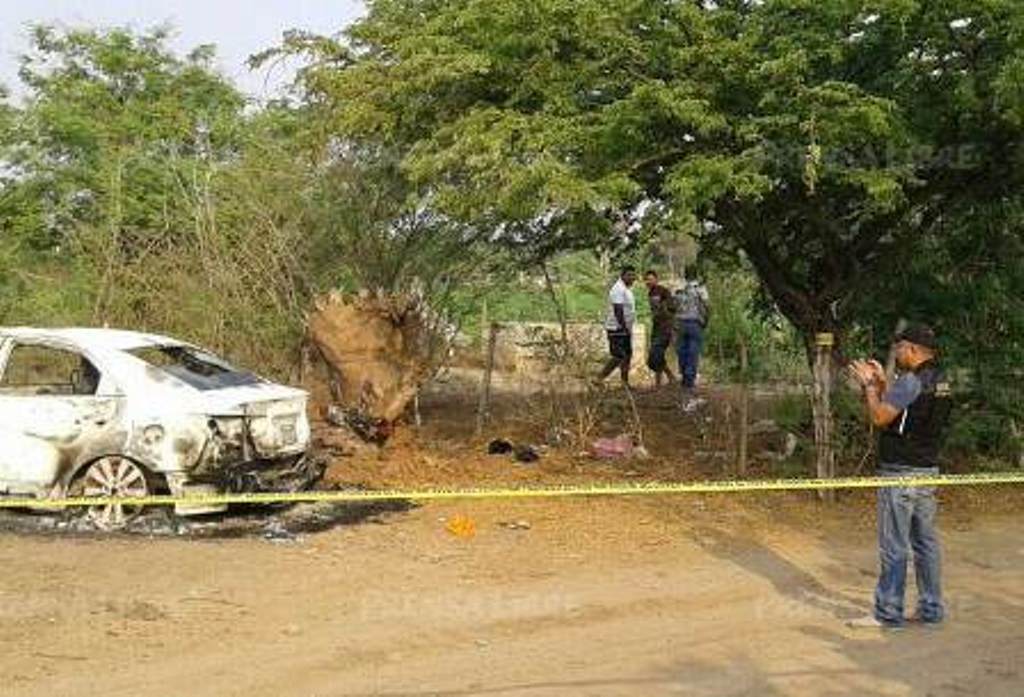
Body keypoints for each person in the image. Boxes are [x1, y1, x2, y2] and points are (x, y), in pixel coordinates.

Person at [848, 324, 953, 629]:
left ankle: (888, 613)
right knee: (926, 544)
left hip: (900, 473)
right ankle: (931, 609)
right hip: (927, 471)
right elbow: (904, 412)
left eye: (899, 349)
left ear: (913, 350)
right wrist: (883, 384)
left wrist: (869, 387)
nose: (897, 354)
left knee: (894, 545)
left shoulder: (911, 381)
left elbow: (881, 417)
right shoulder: (943, 380)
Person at [673, 267, 710, 403]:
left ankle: (684, 377)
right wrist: (706, 321)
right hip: (695, 323)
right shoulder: (701, 288)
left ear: (685, 275)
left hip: (680, 323)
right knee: (693, 352)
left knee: (682, 351)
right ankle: (689, 382)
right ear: (696, 275)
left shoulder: (678, 288)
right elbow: (707, 306)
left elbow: (673, 305)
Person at [597, 266, 637, 386]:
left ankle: (625, 383)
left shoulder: (627, 289)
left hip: (625, 328)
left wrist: (628, 328)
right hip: (616, 327)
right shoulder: (617, 289)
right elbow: (618, 310)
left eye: (633, 275)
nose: (632, 278)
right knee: (619, 355)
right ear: (622, 275)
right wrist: (623, 326)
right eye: (629, 275)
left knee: (627, 355)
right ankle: (599, 378)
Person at [643, 270, 677, 388]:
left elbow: (673, 307)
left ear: (656, 279)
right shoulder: (650, 293)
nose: (649, 281)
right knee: (658, 355)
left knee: (655, 354)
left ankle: (665, 379)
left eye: (651, 279)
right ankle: (664, 380)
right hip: (656, 327)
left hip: (665, 327)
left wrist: (665, 311)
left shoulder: (663, 291)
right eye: (646, 279)